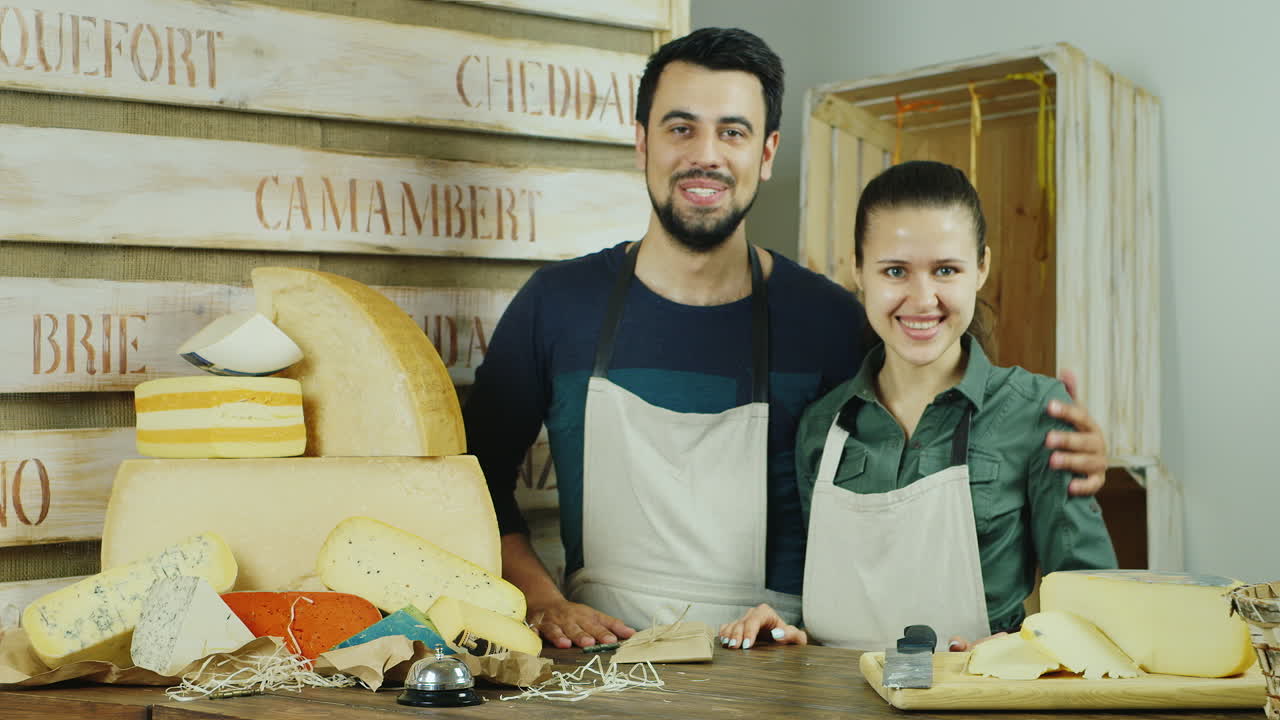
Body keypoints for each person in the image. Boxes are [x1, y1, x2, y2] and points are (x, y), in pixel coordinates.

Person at [462, 27, 1109, 650]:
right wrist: (541, 598)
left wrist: (1065, 453)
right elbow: (472, 477)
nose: (706, 154)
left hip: (778, 669)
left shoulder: (831, 321)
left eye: (733, 132)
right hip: (598, 668)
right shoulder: (557, 305)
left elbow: (926, 438)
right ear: (641, 142)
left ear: (766, 153)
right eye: (681, 127)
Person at [716, 161, 1118, 652]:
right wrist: (781, 624)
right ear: (858, 270)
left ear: (982, 268)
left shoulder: (1037, 413)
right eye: (895, 271)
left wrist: (1022, 652)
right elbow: (815, 589)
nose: (923, 299)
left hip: (979, 708)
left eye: (946, 269)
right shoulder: (821, 425)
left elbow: (1092, 608)